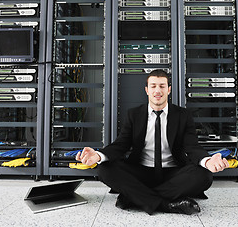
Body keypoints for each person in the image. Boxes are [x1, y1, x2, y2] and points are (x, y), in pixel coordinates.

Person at [76, 69, 229, 215]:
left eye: (162, 86)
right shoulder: (134, 114)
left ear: (168, 89)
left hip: (173, 172)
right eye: (153, 86)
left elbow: (192, 146)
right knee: (104, 169)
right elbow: (121, 144)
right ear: (146, 90)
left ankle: (135, 197)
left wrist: (207, 160)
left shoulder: (183, 115)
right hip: (141, 171)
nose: (158, 91)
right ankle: (167, 204)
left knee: (204, 175)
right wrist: (98, 155)